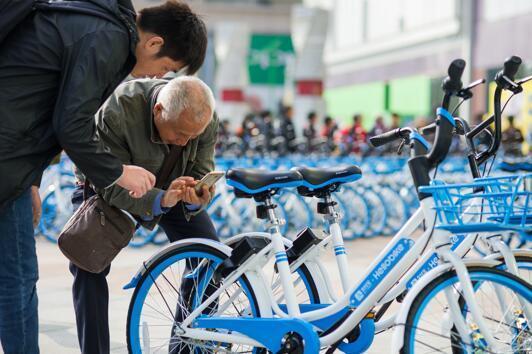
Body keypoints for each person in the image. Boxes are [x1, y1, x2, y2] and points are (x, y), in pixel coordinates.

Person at [0, 0, 207, 352]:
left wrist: (32, 180)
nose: (160, 77)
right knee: (17, 282)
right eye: (167, 67)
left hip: (14, 166)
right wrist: (119, 172)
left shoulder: (97, 25)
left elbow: (35, 105)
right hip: (7, 162)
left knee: (15, 280)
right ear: (154, 43)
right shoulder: (107, 39)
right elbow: (71, 125)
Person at [70, 76, 218, 354]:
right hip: (109, 188)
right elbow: (107, 181)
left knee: (212, 258)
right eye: (179, 133)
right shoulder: (119, 109)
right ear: (158, 110)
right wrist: (159, 198)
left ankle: (188, 347)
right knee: (88, 267)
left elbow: (202, 170)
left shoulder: (204, 117)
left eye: (193, 136)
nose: (185, 142)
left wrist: (196, 197)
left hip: (172, 191)